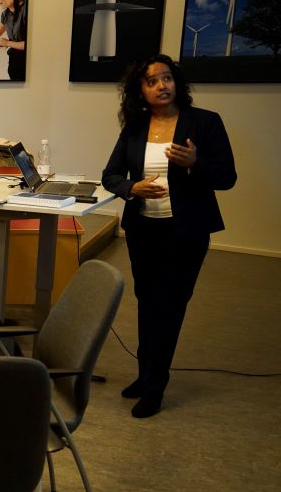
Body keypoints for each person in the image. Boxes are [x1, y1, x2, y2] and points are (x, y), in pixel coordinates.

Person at [101, 54, 236, 418]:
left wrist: (195, 164)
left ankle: (155, 385)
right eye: (152, 81)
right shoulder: (135, 127)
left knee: (170, 306)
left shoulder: (205, 122)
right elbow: (110, 176)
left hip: (186, 232)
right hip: (144, 230)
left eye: (167, 78)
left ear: (177, 82)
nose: (162, 85)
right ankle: (145, 374)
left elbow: (227, 177)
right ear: (140, 91)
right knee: (147, 302)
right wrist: (133, 187)